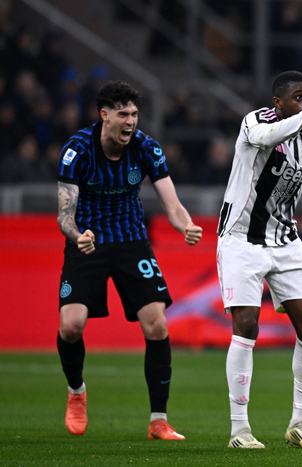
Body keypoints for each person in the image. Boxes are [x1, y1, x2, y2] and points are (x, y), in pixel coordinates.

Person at [216, 67, 302, 449]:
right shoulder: (256, 121)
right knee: (246, 323)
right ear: (277, 102)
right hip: (241, 239)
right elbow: (267, 137)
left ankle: (299, 424)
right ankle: (240, 429)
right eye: (299, 97)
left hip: (284, 240)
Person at [56, 81, 202, 440]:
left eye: (135, 114)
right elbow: (64, 214)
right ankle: (76, 392)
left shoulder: (146, 148)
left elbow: (172, 204)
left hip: (131, 241)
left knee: (157, 324)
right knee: (71, 327)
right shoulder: (77, 150)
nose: (131, 121)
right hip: (87, 242)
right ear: (104, 115)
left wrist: (186, 225)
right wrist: (77, 236)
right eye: (123, 114)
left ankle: (159, 420)